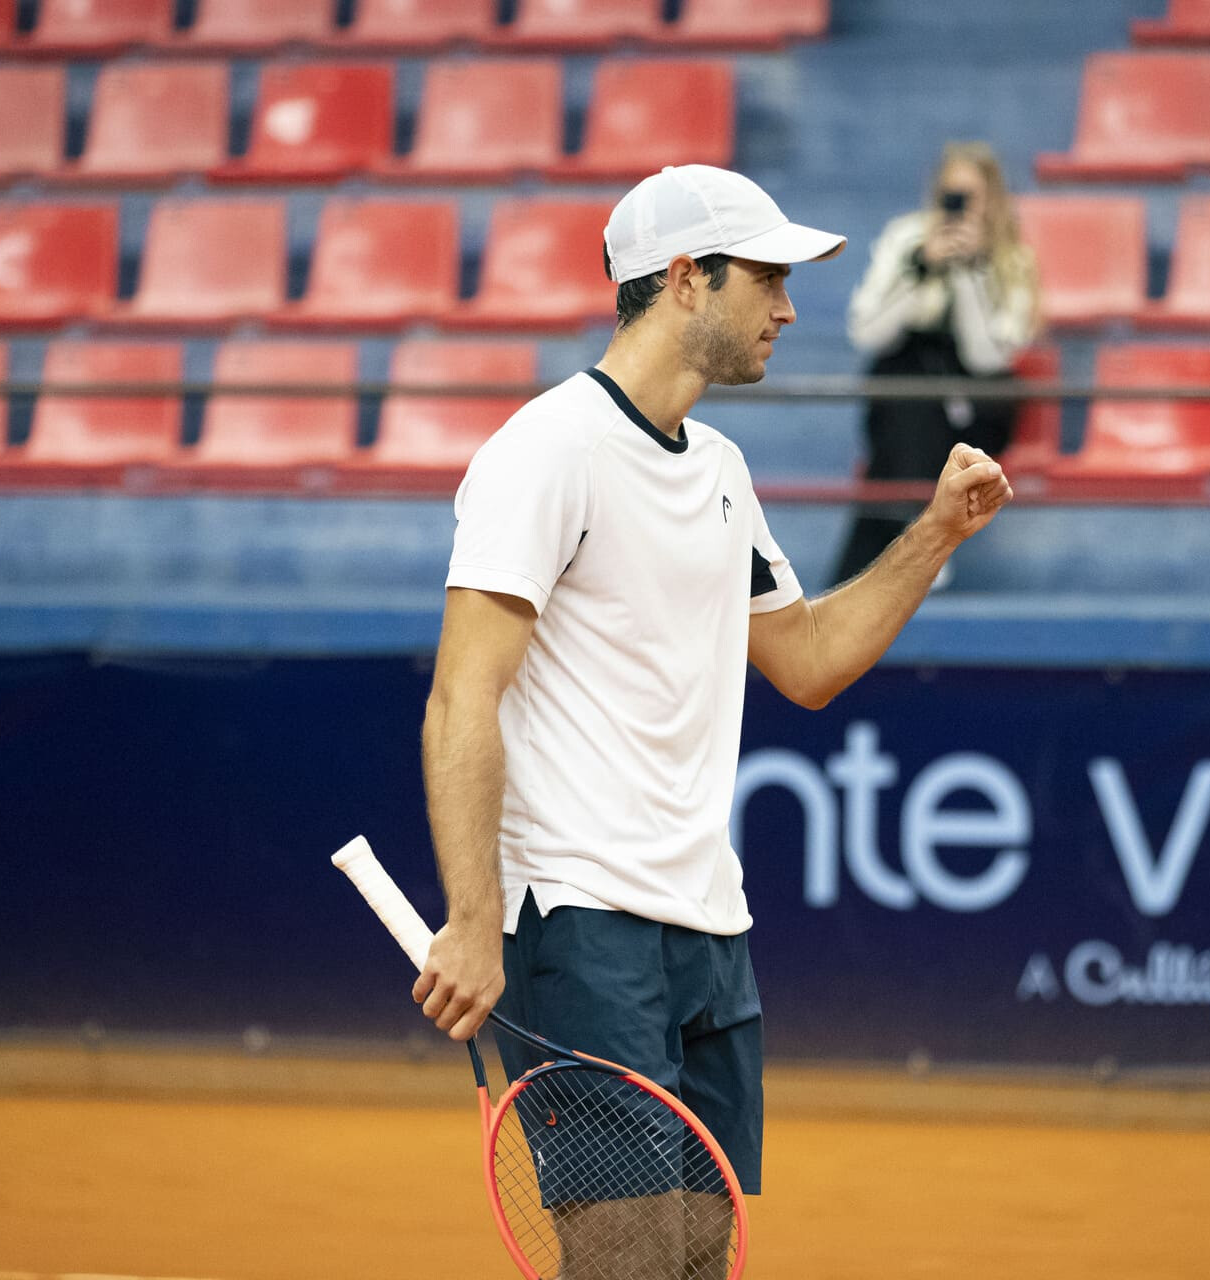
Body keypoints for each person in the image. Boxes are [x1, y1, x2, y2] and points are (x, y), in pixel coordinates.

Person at [410, 164, 1014, 1276]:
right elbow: (462, 697)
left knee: (697, 1256)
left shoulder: (724, 471)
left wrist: (934, 534)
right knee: (630, 1258)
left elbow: (812, 660)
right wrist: (474, 917)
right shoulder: (545, 453)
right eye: (768, 279)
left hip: (709, 927)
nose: (788, 308)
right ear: (687, 279)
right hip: (583, 922)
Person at [833, 141, 1040, 584]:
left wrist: (970, 273)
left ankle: (866, 572)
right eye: (951, 194)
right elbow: (866, 332)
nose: (960, 208)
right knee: (907, 388)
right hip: (909, 392)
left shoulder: (1014, 260)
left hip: (978, 402)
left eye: (972, 197)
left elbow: (987, 358)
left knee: (908, 422)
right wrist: (920, 269)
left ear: (993, 200)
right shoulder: (906, 239)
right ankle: (919, 536)